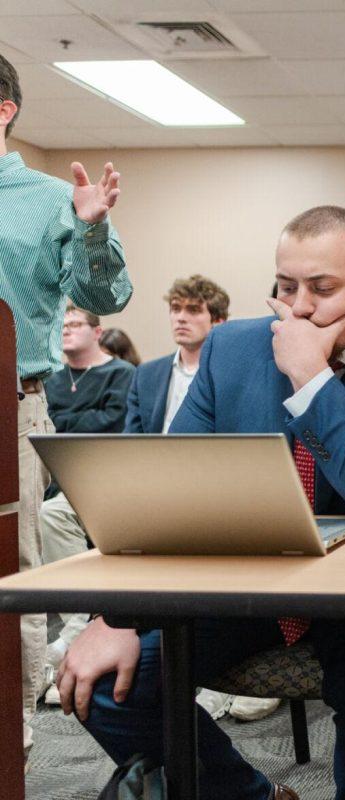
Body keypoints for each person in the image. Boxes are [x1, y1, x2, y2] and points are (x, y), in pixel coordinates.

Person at [56, 206, 345, 800]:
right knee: (104, 686)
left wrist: (311, 378)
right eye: (286, 286)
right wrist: (115, 618)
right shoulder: (231, 347)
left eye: (323, 289)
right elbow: (171, 486)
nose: (299, 308)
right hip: (254, 575)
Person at [0, 51, 131, 764]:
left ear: (3, 110)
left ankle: (10, 733)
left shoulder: (51, 197)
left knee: (9, 572)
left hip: (10, 409)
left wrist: (91, 229)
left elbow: (109, 299)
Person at [41, 278, 230, 700]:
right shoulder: (149, 374)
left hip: (207, 490)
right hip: (145, 485)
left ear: (218, 321)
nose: (180, 317)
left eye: (193, 310)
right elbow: (131, 441)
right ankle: (81, 627)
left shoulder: (229, 372)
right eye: (175, 309)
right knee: (54, 511)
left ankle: (209, 660)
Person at [44, 305, 135, 437]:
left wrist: (61, 419)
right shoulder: (51, 377)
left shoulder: (122, 373)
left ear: (97, 332)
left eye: (74, 324)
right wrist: (89, 415)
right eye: (60, 327)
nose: (65, 331)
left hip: (104, 453)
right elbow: (45, 423)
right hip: (57, 453)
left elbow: (113, 422)